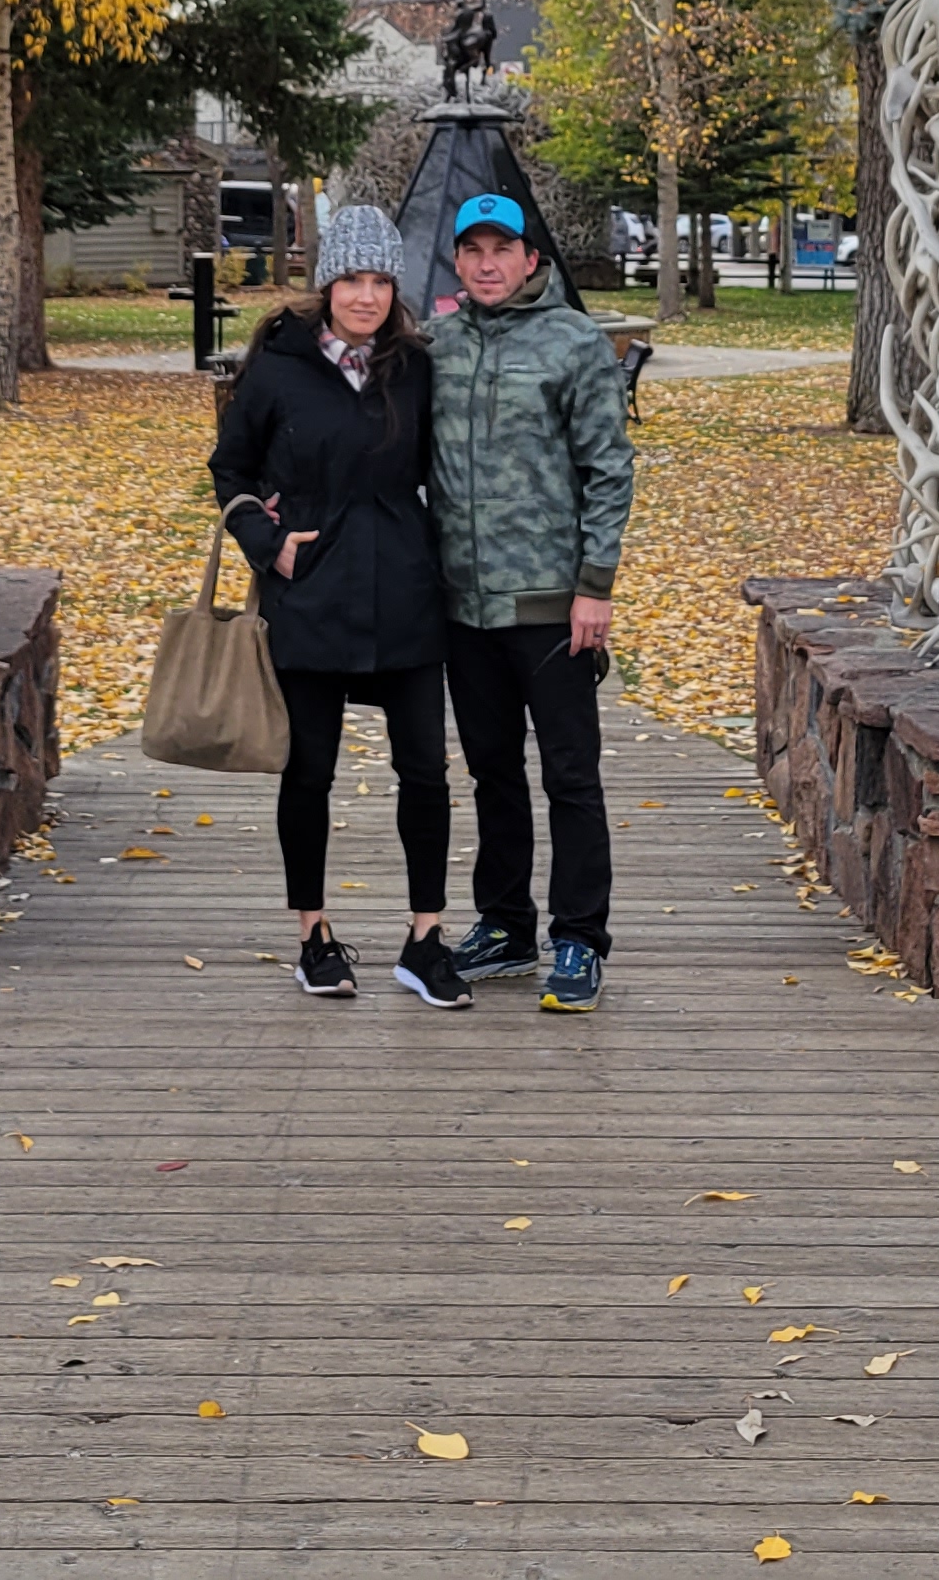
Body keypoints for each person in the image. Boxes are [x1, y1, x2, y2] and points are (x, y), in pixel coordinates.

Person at [207, 204, 472, 1010]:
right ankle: (313, 936)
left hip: (405, 594)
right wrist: (269, 542)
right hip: (310, 595)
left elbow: (446, 469)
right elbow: (230, 469)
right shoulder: (278, 367)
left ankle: (425, 940)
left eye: (381, 280)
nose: (366, 296)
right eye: (352, 279)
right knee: (309, 771)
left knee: (425, 769)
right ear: (327, 284)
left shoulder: (416, 368)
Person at [428, 192, 636, 1012]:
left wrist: (595, 589)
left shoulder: (575, 343)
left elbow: (609, 470)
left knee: (571, 776)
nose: (487, 263)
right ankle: (506, 925)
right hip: (463, 607)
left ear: (531, 261)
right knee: (490, 774)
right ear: (458, 261)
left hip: (552, 605)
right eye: (473, 249)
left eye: (501, 249)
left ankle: (579, 938)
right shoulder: (436, 344)